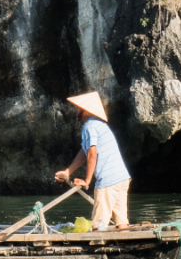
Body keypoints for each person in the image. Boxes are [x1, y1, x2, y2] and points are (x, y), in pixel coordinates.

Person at [52, 91, 132, 228]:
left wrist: (87, 181)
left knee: (98, 225)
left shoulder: (89, 126)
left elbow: (92, 154)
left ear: (85, 109)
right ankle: (127, 244)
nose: (77, 110)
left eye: (78, 107)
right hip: (122, 178)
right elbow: (85, 152)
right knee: (121, 222)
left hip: (109, 181)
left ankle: (97, 245)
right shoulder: (98, 124)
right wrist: (68, 171)